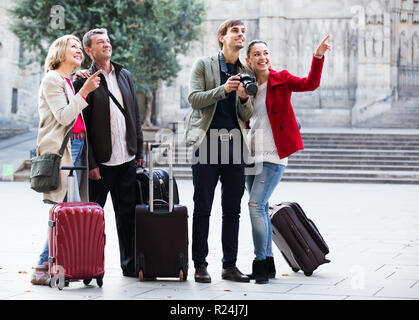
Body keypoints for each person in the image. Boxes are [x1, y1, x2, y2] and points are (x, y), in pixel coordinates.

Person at [244, 35, 331, 284]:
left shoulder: (281, 79)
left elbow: (311, 83)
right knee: (259, 208)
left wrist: (318, 56)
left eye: (266, 53)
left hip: (273, 155)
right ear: (249, 60)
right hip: (250, 155)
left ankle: (260, 263)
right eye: (257, 54)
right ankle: (268, 264)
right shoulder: (247, 86)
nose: (263, 57)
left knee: (255, 206)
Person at [184, 19, 254, 283]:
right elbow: (193, 98)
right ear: (222, 36)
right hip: (206, 142)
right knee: (203, 206)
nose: (241, 34)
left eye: (243, 31)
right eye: (235, 31)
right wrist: (223, 89)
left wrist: (244, 99)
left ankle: (229, 265)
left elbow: (245, 114)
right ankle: (200, 265)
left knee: (232, 208)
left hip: (234, 143)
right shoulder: (204, 64)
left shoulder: (245, 69)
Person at [73, 28, 145, 277]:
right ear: (89, 51)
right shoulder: (83, 80)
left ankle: (130, 266)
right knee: (93, 220)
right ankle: (92, 268)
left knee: (128, 217)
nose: (106, 45)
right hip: (100, 165)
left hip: (126, 159)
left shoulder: (125, 75)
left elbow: (134, 114)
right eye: (100, 42)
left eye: (108, 41)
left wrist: (139, 150)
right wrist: (91, 162)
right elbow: (82, 125)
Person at [30, 35, 101, 285]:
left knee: (70, 209)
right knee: (64, 209)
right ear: (60, 51)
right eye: (73, 46)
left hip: (77, 145)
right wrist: (84, 91)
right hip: (65, 149)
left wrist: (78, 86)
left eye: (80, 48)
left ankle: (60, 264)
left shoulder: (65, 81)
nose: (79, 50)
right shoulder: (52, 80)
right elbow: (63, 116)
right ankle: (42, 266)